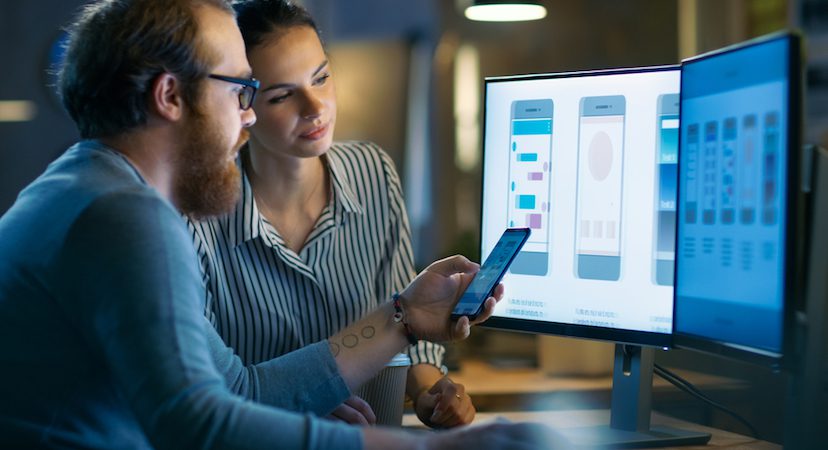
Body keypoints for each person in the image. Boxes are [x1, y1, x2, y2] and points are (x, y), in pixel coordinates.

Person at [0, 0, 563, 448]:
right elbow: (202, 428)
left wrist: (406, 316)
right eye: (242, 91)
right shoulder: (125, 217)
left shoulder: (82, 187)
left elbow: (240, 391)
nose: (247, 116)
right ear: (170, 95)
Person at [187, 0, 472, 428]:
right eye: (283, 95)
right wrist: (291, 405)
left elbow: (406, 327)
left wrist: (431, 391)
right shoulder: (199, 214)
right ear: (241, 103)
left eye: (321, 78)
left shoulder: (373, 172)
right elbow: (203, 389)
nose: (315, 107)